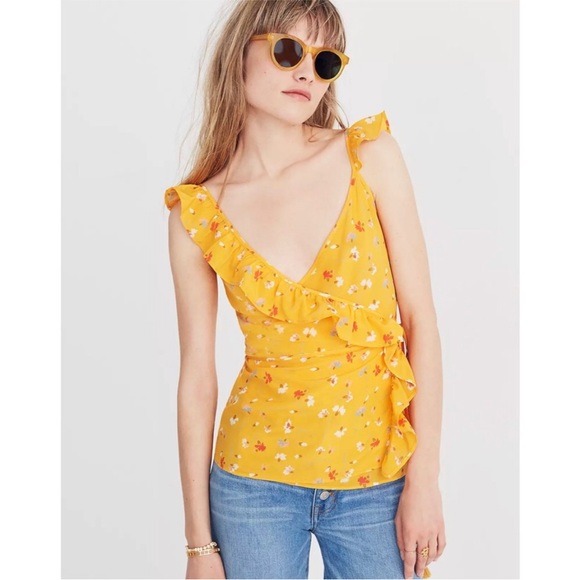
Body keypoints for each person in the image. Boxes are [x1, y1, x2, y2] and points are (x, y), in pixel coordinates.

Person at [163, 1, 445, 578]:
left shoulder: (368, 156)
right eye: (288, 50)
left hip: (378, 482)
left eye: (325, 61)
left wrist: (425, 481)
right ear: (238, 53)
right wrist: (199, 546)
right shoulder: (199, 213)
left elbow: (421, 323)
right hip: (253, 488)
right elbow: (197, 379)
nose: (306, 73)